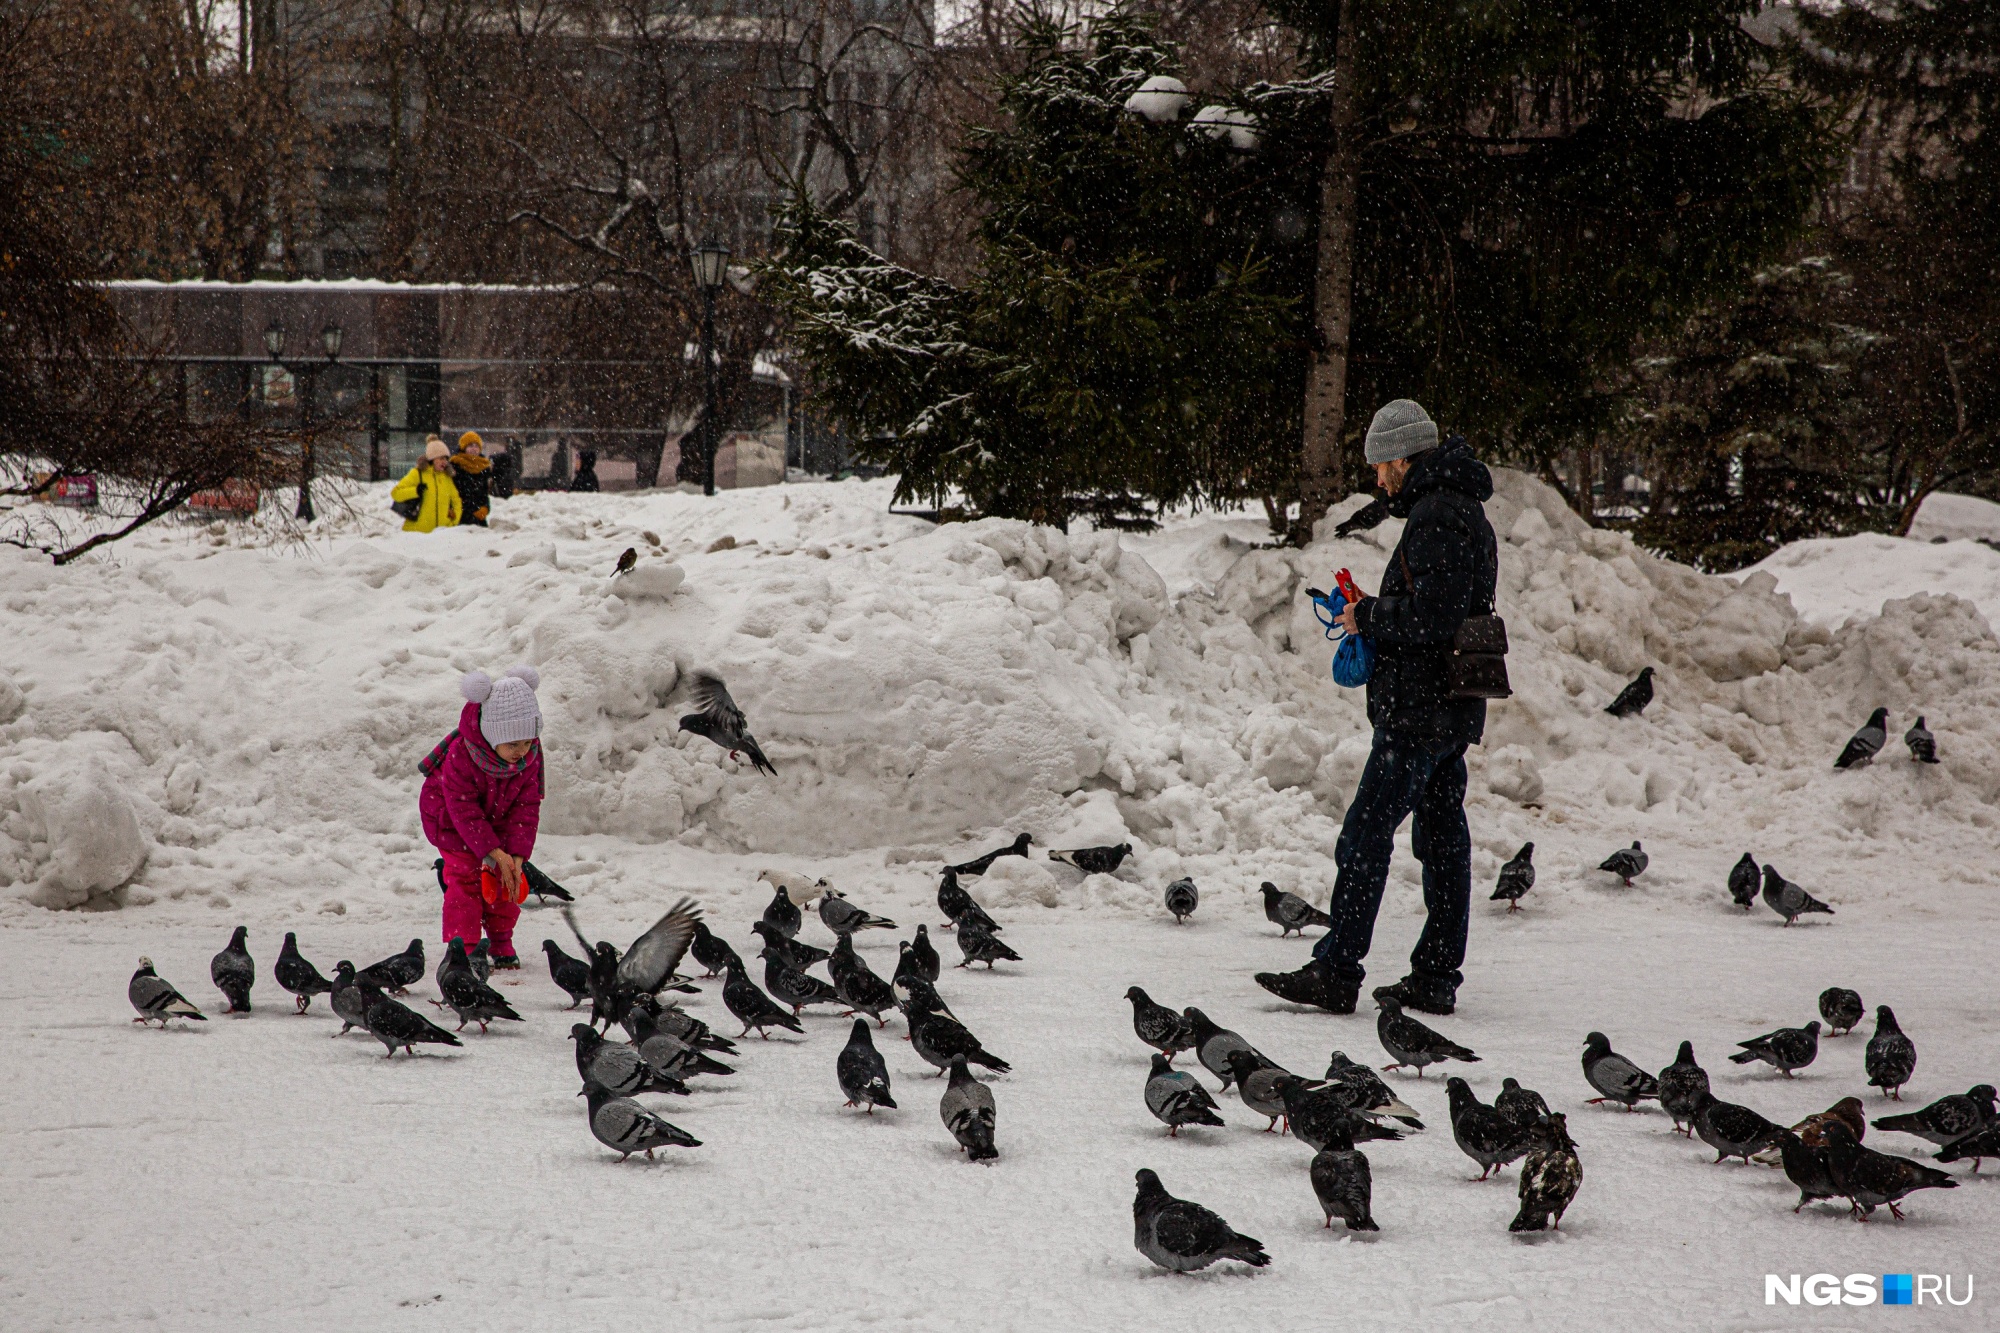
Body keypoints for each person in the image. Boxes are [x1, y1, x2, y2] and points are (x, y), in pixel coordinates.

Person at [1257, 399, 1497, 1016]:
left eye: (1379, 466)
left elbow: (1435, 618)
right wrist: (1375, 607)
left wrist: (1366, 614)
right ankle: (1437, 977)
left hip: (1419, 712)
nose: (1376, 479)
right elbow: (1440, 608)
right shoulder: (1457, 508)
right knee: (1442, 841)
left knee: (1366, 836)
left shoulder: (1439, 515)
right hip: (1449, 706)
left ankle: (1337, 970)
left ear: (1401, 456)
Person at [417, 666, 545, 969]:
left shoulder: (530, 755)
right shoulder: (462, 754)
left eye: (527, 742)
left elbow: (526, 808)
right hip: (452, 821)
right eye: (512, 744)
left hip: (496, 818)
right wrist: (492, 851)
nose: (521, 751)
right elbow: (464, 810)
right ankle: (465, 948)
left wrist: (514, 854)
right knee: (466, 882)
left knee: (506, 880)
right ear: (491, 735)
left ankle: (501, 942)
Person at [390, 437, 462, 532]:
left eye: (446, 458)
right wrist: (415, 491)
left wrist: (453, 522)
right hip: (416, 533)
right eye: (441, 458)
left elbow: (456, 501)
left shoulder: (447, 477)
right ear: (432, 459)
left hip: (440, 534)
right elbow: (395, 493)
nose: (444, 462)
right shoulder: (417, 473)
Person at [450, 431, 494, 527]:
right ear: (463, 447)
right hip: (460, 518)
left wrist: (485, 508)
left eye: (476, 446)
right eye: (470, 445)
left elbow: (484, 494)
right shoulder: (456, 465)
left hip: (479, 519)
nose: (474, 449)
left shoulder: (483, 467)